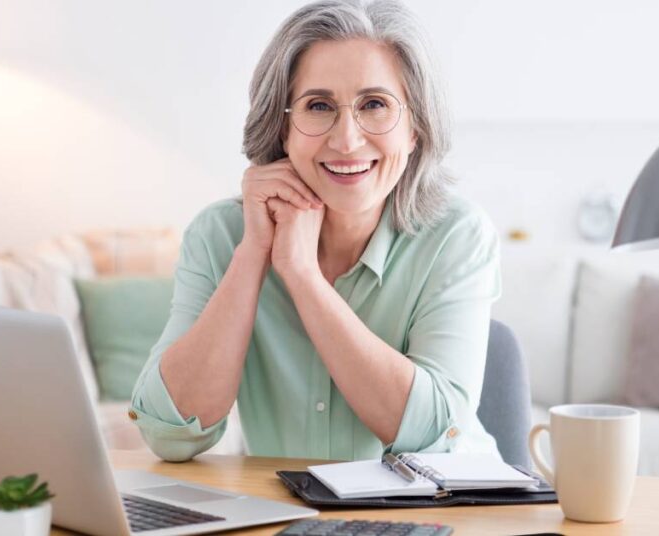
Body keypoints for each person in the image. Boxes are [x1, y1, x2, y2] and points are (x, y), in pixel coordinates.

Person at [130, 0, 501, 462]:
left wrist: (302, 276)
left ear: (415, 130)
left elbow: (433, 435)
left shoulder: (456, 235)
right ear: (282, 128)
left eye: (375, 105)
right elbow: (169, 434)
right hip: (284, 520)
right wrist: (253, 252)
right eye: (319, 105)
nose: (347, 140)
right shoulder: (220, 235)